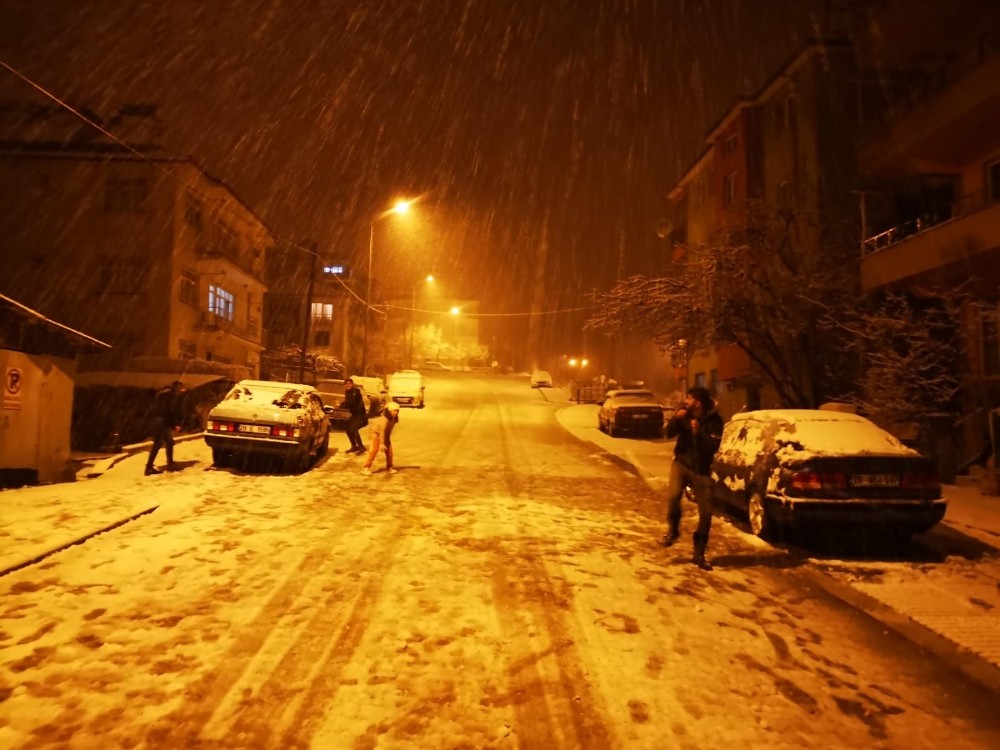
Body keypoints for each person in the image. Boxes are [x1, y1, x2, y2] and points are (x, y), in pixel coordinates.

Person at [661, 386, 724, 570]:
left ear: (698, 402)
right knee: (673, 497)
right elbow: (668, 433)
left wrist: (698, 434)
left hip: (701, 469)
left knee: (706, 513)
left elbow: (712, 448)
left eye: (688, 398)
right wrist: (675, 419)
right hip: (681, 463)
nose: (685, 401)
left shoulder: (715, 421)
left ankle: (699, 553)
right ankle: (673, 531)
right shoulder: (684, 413)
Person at [145, 380, 187, 476]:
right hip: (160, 421)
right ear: (177, 388)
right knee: (157, 444)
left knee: (169, 441)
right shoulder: (169, 396)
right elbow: (166, 412)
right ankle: (149, 468)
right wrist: (174, 424)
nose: (182, 391)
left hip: (156, 420)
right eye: (181, 388)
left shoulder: (165, 394)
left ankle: (170, 464)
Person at [362, 401, 400, 475]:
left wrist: (387, 441)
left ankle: (389, 467)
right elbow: (382, 431)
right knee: (374, 450)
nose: (396, 412)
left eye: (397, 411)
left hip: (385, 434)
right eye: (394, 411)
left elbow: (387, 431)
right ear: (389, 411)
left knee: (389, 452)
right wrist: (381, 444)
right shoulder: (384, 419)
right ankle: (365, 467)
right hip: (375, 433)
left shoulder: (394, 419)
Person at [340, 378, 367, 453]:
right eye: (346, 384)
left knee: (353, 429)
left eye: (349, 383)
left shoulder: (355, 391)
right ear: (345, 385)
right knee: (348, 429)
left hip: (359, 413)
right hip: (353, 413)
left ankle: (361, 447)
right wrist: (341, 406)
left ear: (352, 384)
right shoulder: (347, 392)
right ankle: (354, 446)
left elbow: (352, 402)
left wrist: (342, 404)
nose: (348, 385)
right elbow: (348, 403)